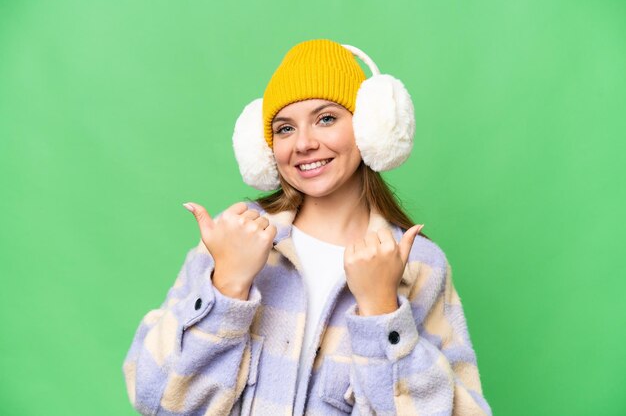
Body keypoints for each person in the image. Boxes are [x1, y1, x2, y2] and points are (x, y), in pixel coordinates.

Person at [123, 38, 492, 416]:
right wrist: (228, 287)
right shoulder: (233, 238)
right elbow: (155, 399)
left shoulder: (418, 265)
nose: (303, 143)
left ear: (369, 128)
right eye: (284, 129)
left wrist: (382, 312)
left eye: (326, 118)